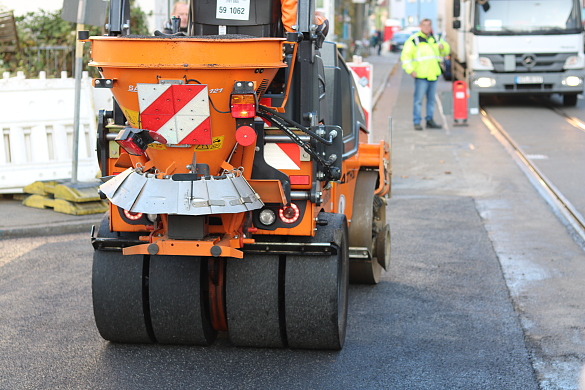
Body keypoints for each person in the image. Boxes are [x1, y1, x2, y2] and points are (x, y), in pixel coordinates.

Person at [401, 19, 450, 130]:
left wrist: (443, 47)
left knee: (431, 100)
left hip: (433, 73)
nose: (427, 28)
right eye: (424, 25)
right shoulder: (414, 40)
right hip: (421, 75)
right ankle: (417, 121)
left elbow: (445, 51)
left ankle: (429, 120)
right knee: (418, 100)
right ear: (420, 26)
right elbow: (405, 57)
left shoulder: (436, 39)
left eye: (429, 25)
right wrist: (410, 70)